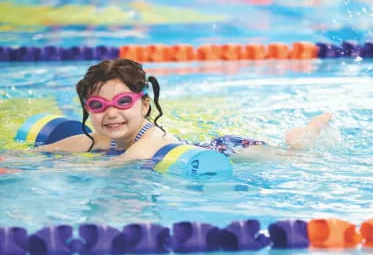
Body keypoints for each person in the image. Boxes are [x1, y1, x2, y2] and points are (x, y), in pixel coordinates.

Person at [37, 59, 332, 159]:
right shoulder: (98, 138)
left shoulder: (150, 137)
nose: (110, 113)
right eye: (98, 106)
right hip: (199, 146)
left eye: (123, 102)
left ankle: (306, 131)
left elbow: (121, 165)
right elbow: (47, 152)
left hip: (230, 150)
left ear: (144, 103)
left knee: (293, 155)